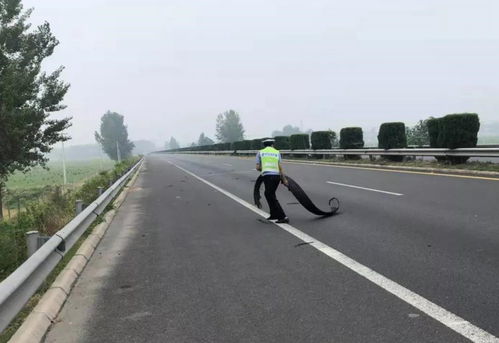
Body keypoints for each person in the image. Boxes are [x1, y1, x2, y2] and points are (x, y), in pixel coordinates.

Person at [256, 138, 289, 223]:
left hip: (268, 176)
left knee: (270, 195)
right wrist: (284, 179)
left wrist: (265, 168)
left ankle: (283, 216)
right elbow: (280, 167)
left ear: (264, 145)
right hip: (277, 177)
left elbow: (257, 167)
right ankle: (274, 214)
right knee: (269, 194)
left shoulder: (260, 152)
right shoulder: (277, 152)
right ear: (272, 144)